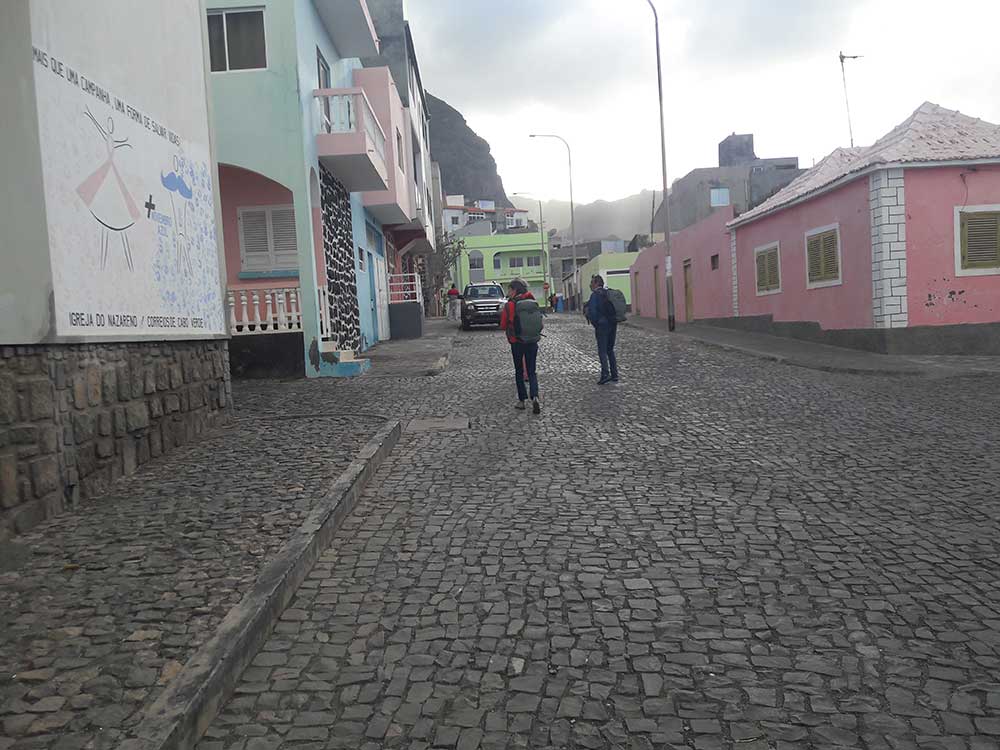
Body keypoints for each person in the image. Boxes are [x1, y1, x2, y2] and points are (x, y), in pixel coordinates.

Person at [499, 278, 541, 414]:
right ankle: (535, 396)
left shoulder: (510, 305)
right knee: (532, 371)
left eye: (509, 290)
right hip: (532, 341)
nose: (508, 292)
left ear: (514, 290)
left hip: (517, 342)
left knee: (519, 371)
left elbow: (503, 325)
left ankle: (522, 401)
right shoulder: (532, 301)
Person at [585, 275, 619, 385]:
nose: (590, 285)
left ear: (596, 283)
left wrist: (596, 323)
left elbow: (593, 312)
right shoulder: (608, 293)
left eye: (592, 283)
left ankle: (605, 374)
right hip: (613, 323)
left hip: (602, 325)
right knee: (610, 350)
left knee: (602, 351)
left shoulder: (595, 295)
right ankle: (614, 374)